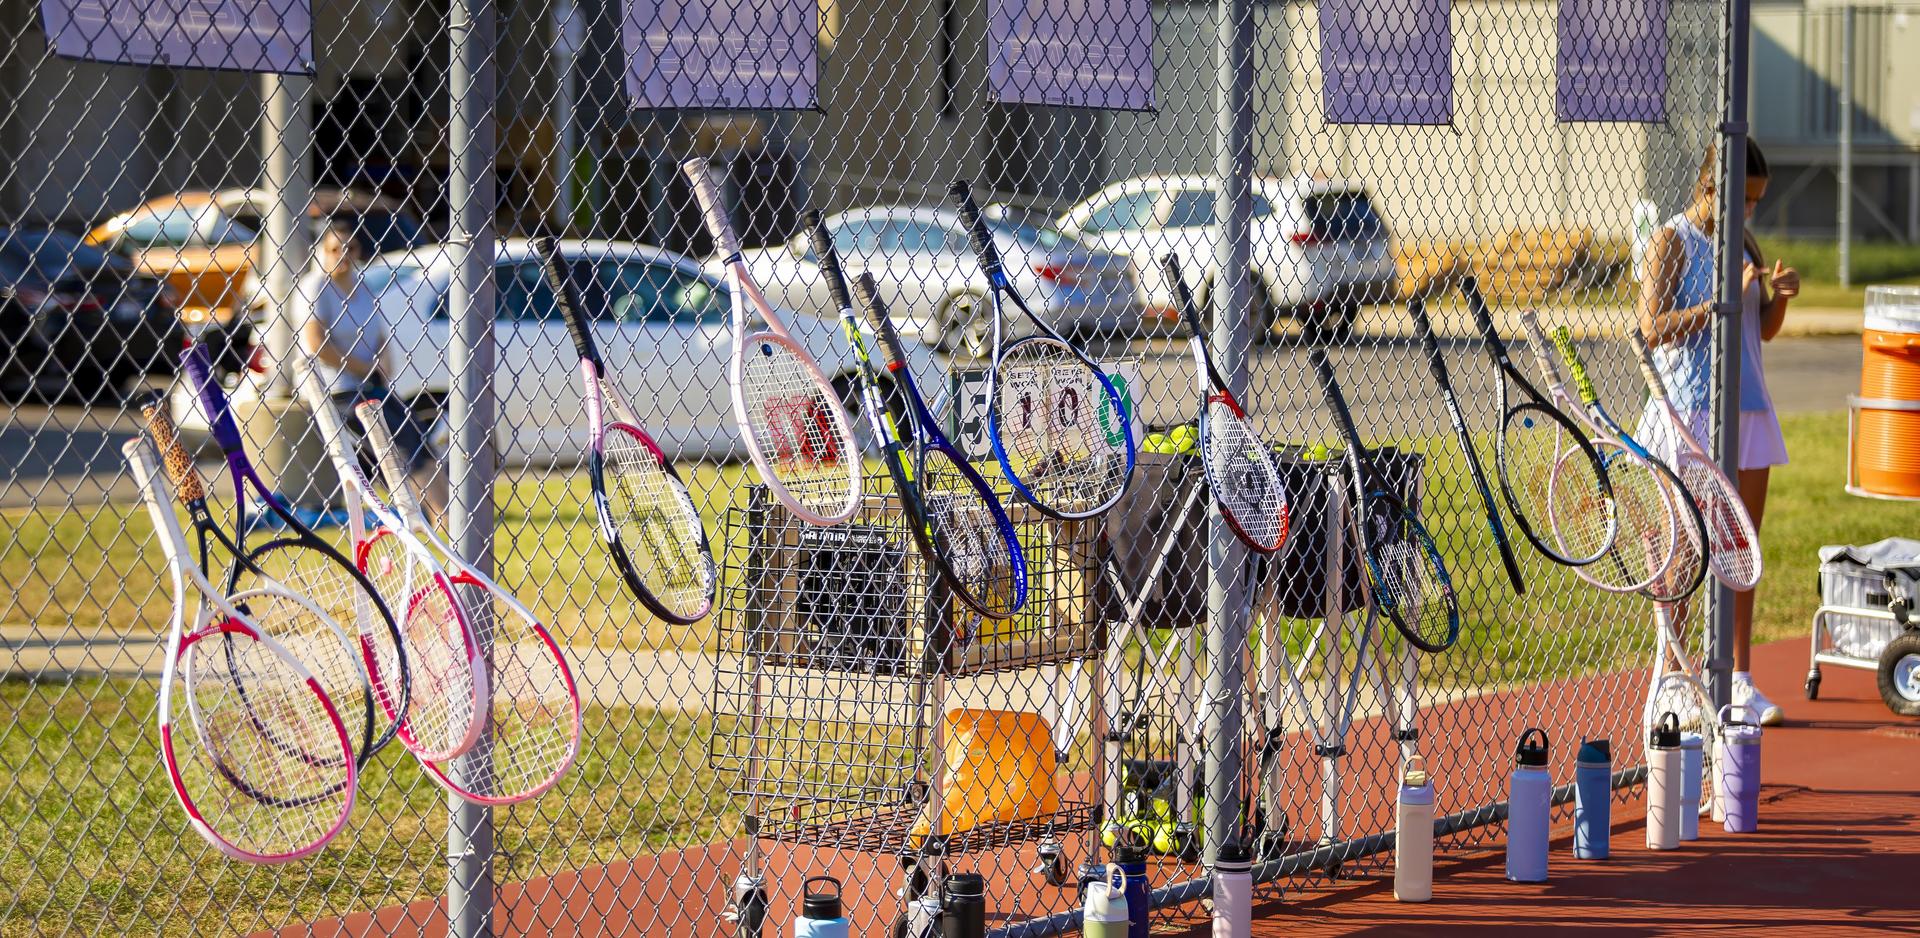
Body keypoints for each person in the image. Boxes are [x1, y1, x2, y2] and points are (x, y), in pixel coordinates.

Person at [1637, 138, 1798, 726]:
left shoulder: (1743, 242)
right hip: (1691, 411)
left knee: (1741, 549)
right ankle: (1674, 677)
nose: (1750, 211)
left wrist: (1774, 300)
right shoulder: (1672, 240)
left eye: (1757, 201)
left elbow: (1763, 332)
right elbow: (1649, 327)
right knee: (1684, 549)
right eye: (1743, 198)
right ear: (1711, 188)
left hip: (1749, 409)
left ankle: (1739, 678)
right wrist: (1716, 304)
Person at [297, 215, 427, 475]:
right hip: (339, 391)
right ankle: (425, 511)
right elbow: (316, 343)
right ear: (322, 251)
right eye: (334, 249)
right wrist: (364, 369)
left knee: (419, 440)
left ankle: (438, 514)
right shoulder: (316, 286)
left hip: (372, 386)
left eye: (350, 248)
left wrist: (382, 365)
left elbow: (379, 336)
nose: (342, 255)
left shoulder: (364, 286)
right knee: (399, 447)